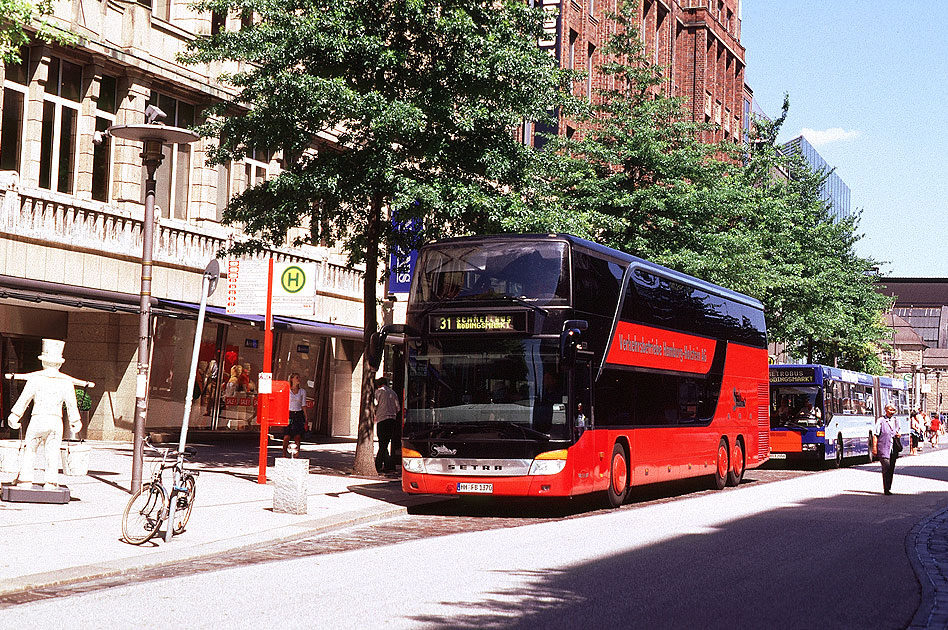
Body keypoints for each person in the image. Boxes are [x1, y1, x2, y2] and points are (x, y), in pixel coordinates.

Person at [7, 339, 85, 489]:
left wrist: (15, 415)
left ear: (43, 362)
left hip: (38, 419)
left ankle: (25, 479)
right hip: (55, 421)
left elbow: (24, 399)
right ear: (60, 363)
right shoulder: (66, 382)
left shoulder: (35, 379)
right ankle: (50, 481)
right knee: (52, 452)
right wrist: (76, 421)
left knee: (30, 449)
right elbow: (71, 405)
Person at [373, 377, 400, 474]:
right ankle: (389, 465)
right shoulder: (393, 393)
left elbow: (374, 404)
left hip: (382, 419)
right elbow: (398, 408)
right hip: (392, 420)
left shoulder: (379, 392)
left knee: (383, 443)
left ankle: (378, 464)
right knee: (385, 443)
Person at [873, 402, 901, 495]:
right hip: (883, 448)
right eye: (890, 410)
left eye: (893, 410)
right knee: (886, 467)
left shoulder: (896, 420)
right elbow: (875, 435)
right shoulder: (881, 421)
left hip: (893, 449)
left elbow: (898, 432)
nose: (892, 412)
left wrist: (898, 435)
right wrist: (874, 448)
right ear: (886, 410)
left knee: (891, 468)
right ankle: (886, 489)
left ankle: (888, 487)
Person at [282, 373, 306, 457]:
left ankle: (296, 454)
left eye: (299, 377)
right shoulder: (287, 390)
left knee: (297, 436)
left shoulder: (302, 391)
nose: (298, 379)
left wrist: (306, 418)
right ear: (292, 379)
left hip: (298, 414)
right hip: (289, 413)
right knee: (287, 436)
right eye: (296, 378)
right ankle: (284, 453)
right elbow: (284, 403)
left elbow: (303, 405)